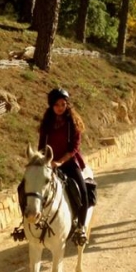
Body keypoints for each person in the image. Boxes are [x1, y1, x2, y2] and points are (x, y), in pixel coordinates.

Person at [39, 88, 89, 245]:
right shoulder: (46, 124)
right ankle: (27, 223)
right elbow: (41, 146)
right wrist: (44, 161)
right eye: (57, 104)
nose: (60, 107)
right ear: (51, 106)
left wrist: (60, 162)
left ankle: (80, 227)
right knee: (28, 188)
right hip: (49, 164)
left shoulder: (72, 123)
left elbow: (74, 147)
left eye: (63, 104)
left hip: (68, 163)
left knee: (83, 193)